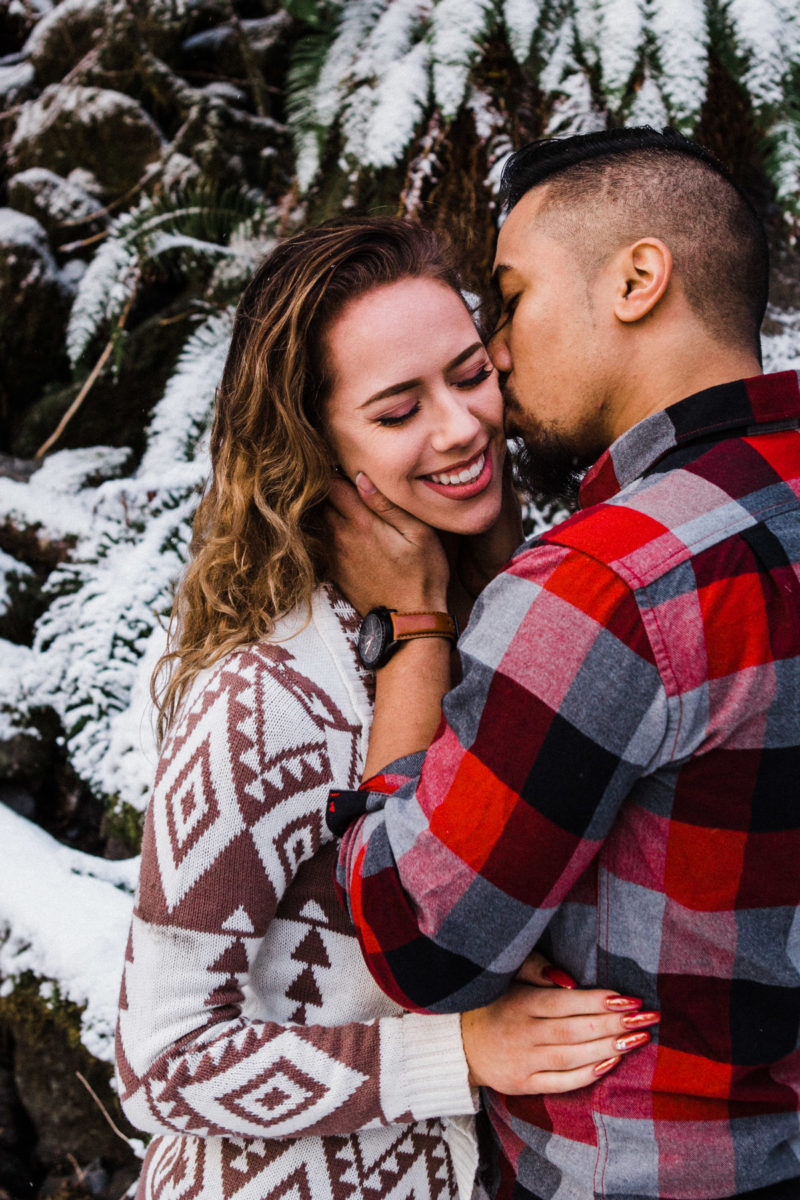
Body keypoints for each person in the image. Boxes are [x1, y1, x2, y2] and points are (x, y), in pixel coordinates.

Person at [114, 217, 657, 1200]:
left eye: (466, 374)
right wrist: (454, 1051)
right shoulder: (261, 700)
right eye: (398, 409)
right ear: (314, 445)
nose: (458, 427)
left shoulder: (501, 630)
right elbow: (159, 1060)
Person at [325, 128, 800, 1200]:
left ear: (636, 279)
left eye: (513, 295)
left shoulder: (606, 584)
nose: (495, 352)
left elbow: (421, 944)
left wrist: (408, 626)